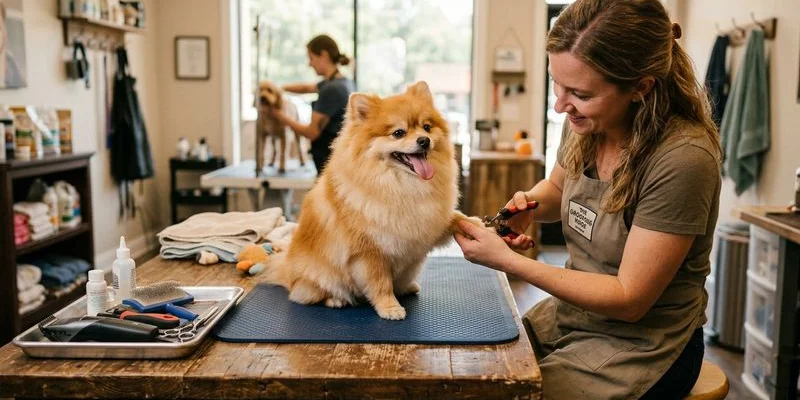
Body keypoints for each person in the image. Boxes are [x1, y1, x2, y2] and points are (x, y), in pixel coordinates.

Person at [453, 1, 722, 398]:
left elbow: (630, 299)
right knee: (483, 373)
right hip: (574, 318)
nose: (560, 105)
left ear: (640, 87)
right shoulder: (587, 125)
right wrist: (528, 203)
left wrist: (508, 261)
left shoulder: (683, 159)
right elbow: (559, 190)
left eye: (579, 92)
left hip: (646, 343)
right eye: (556, 84)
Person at [269, 34, 355, 175]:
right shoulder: (342, 81)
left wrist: (280, 116)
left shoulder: (332, 89)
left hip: (329, 161)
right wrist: (279, 88)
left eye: (311, 58)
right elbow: (306, 88)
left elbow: (311, 133)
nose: (309, 64)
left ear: (324, 55)